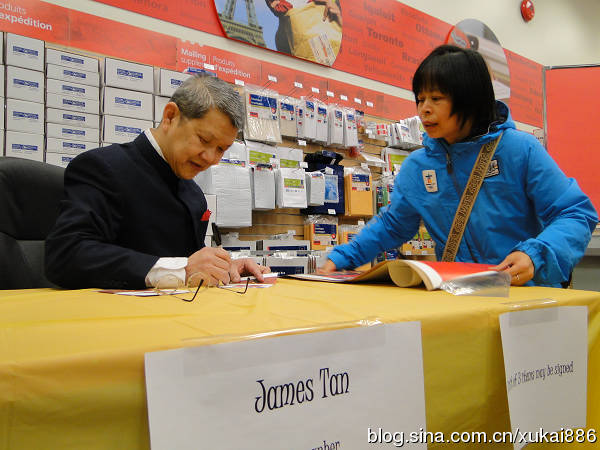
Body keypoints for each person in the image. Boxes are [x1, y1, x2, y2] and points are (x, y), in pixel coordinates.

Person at [321, 44, 598, 287]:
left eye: (436, 98)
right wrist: (341, 258)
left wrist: (535, 255)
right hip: (460, 300)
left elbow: (575, 213)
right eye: (420, 99)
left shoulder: (519, 149)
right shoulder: (418, 166)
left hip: (526, 299)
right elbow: (393, 225)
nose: (424, 109)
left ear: (470, 99)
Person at [45, 74, 270, 290]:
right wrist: (181, 270)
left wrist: (224, 268)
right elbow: (66, 255)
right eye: (203, 139)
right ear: (170, 117)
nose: (211, 158)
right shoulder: (102, 168)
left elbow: (190, 261)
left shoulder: (194, 196)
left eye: (221, 149)